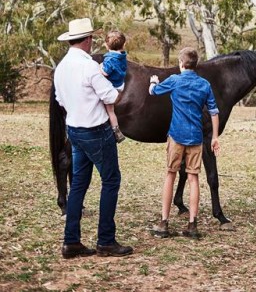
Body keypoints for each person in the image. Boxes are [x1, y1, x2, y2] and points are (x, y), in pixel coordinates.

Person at [54, 17, 133, 259]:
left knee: (79, 184)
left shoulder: (61, 67)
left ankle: (71, 241)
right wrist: (119, 91)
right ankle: (106, 240)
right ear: (87, 40)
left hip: (75, 130)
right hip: (96, 131)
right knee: (111, 181)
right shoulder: (88, 66)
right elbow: (111, 98)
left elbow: (60, 100)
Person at [148, 47, 220, 239]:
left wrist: (153, 81)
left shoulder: (174, 80)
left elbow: (153, 92)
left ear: (181, 64)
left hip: (176, 136)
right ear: (195, 65)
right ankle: (192, 225)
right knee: (193, 178)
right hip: (196, 137)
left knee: (170, 174)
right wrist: (214, 137)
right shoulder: (204, 84)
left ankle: (164, 223)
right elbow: (214, 111)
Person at [101, 30, 128, 143]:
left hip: (113, 87)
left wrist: (99, 67)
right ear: (123, 45)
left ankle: (116, 131)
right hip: (121, 84)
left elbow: (106, 72)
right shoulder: (122, 56)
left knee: (110, 111)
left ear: (107, 45)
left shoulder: (110, 59)